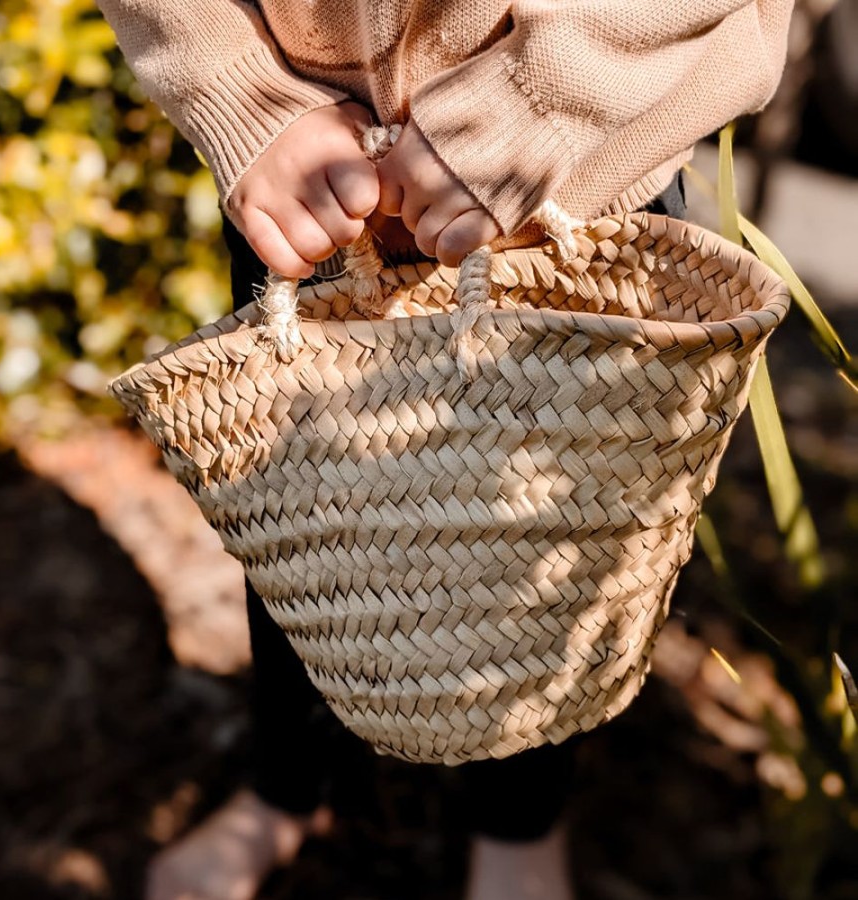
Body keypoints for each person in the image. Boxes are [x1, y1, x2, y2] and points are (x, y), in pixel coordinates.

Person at [94, 2, 794, 897]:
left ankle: (521, 829)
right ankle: (286, 787)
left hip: (585, 152)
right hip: (303, 156)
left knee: (556, 538)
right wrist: (238, 86)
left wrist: (536, 102)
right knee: (302, 517)